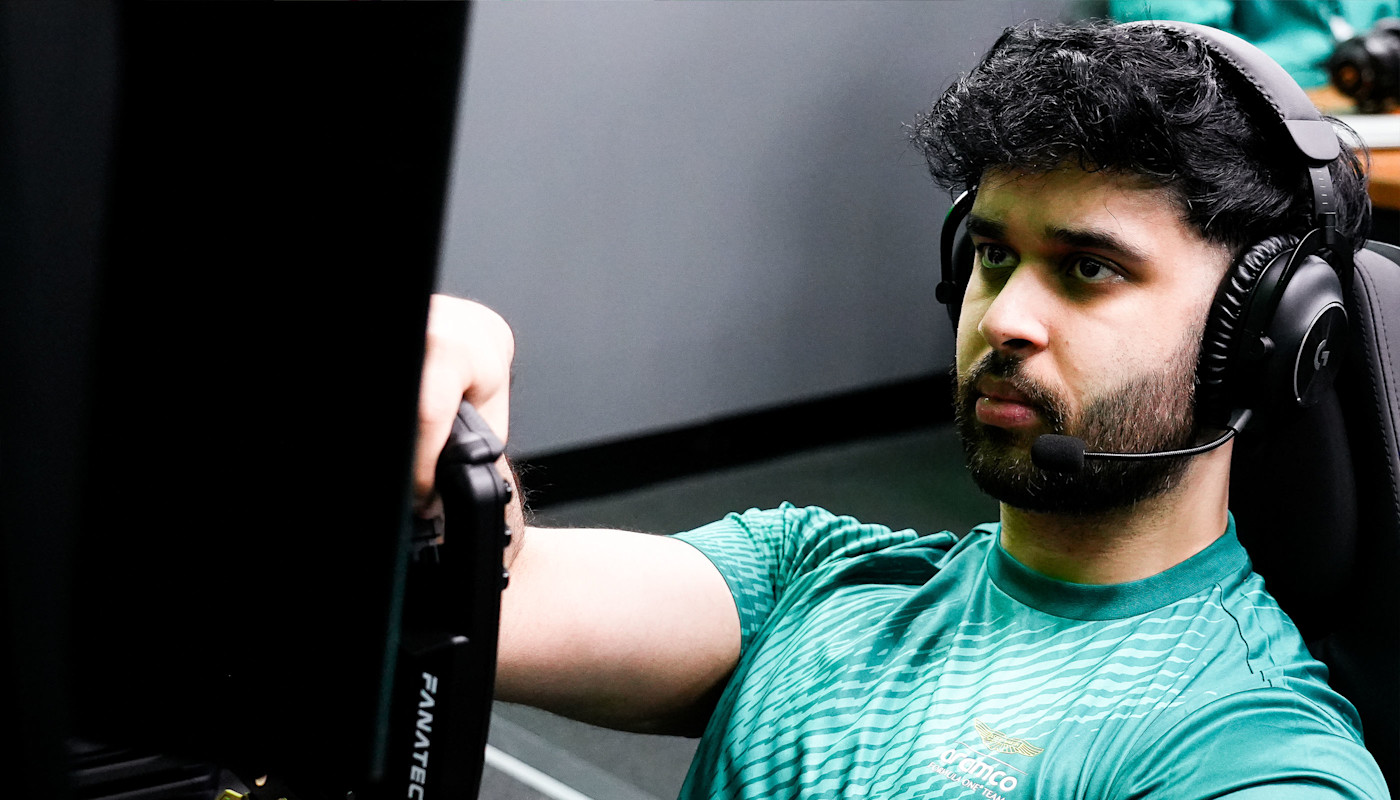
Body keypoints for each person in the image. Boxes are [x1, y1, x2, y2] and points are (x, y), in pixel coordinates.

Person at [417, 20, 1389, 800]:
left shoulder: (1246, 745)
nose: (1002, 318)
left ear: (1259, 336)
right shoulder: (816, 577)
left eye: (1089, 268)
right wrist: (444, 432)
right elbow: (482, 591)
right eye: (993, 255)